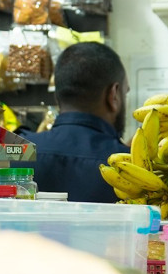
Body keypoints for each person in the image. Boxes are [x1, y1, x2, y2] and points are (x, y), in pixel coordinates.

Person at [16, 41, 127, 203]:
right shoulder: (132, 170)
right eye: (126, 93)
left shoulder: (14, 154)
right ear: (114, 95)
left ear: (57, 96)